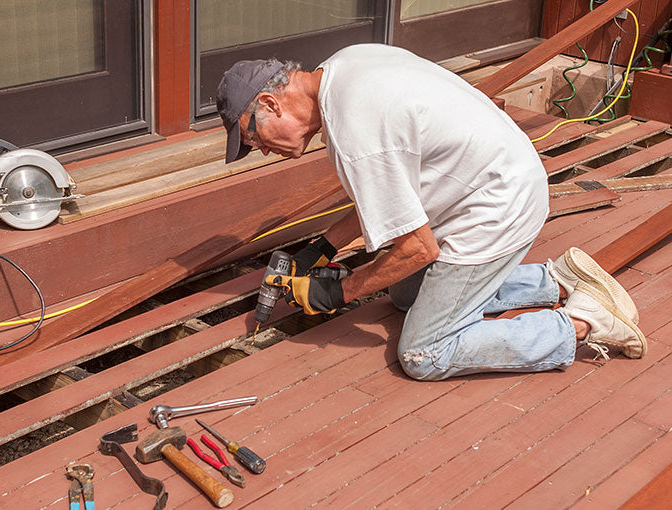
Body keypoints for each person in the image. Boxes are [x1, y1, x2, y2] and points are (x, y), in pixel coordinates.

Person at [215, 44, 645, 381]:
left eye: (255, 140)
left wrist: (338, 292)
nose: (264, 151)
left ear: (271, 104)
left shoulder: (356, 132)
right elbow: (385, 194)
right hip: (498, 176)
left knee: (424, 353)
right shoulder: (344, 67)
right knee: (404, 293)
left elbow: (419, 249)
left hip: (495, 209)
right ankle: (557, 278)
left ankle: (583, 324)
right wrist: (322, 249)